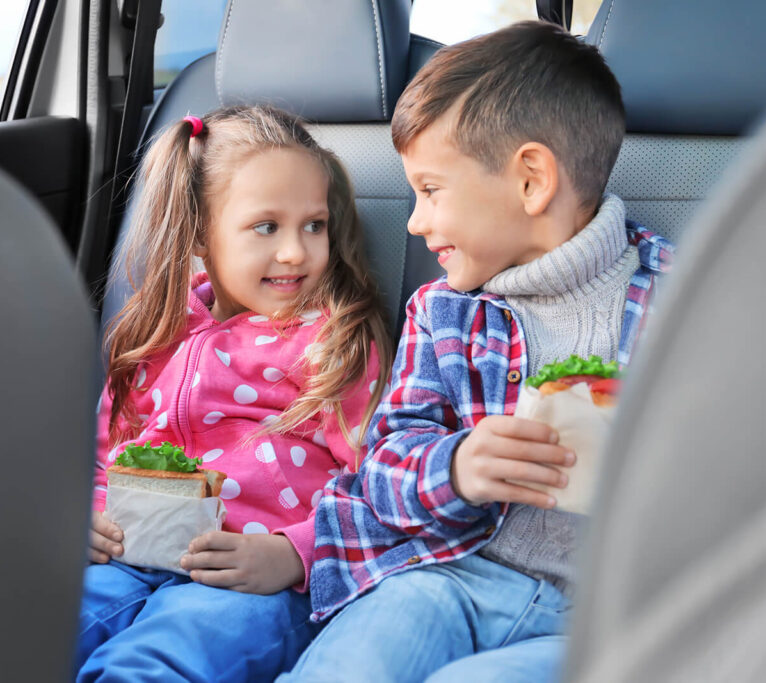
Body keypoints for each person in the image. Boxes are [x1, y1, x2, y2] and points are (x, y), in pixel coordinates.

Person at [280, 21, 673, 683]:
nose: (414, 220)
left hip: (612, 613)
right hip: (449, 577)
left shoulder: (683, 302)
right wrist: (457, 464)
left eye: (431, 191)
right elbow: (383, 465)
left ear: (530, 180)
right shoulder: (444, 313)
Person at [74, 105, 392, 682]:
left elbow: (379, 489)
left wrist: (293, 554)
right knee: (40, 623)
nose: (296, 251)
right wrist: (89, 515)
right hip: (132, 555)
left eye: (313, 225)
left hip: (256, 581)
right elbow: (106, 459)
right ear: (200, 232)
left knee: (148, 665)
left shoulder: (335, 341)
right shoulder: (156, 333)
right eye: (266, 227)